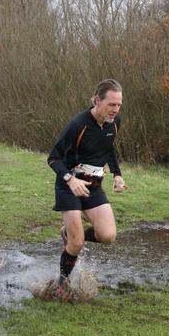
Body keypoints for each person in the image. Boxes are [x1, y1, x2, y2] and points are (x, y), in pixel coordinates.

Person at [45, 79, 126, 301]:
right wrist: (70, 180)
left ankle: (67, 234)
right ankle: (62, 283)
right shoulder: (78, 123)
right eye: (111, 104)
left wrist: (116, 174)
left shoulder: (114, 122)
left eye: (119, 105)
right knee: (77, 243)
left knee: (108, 236)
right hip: (69, 186)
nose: (115, 110)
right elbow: (53, 158)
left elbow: (109, 148)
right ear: (97, 100)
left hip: (94, 186)